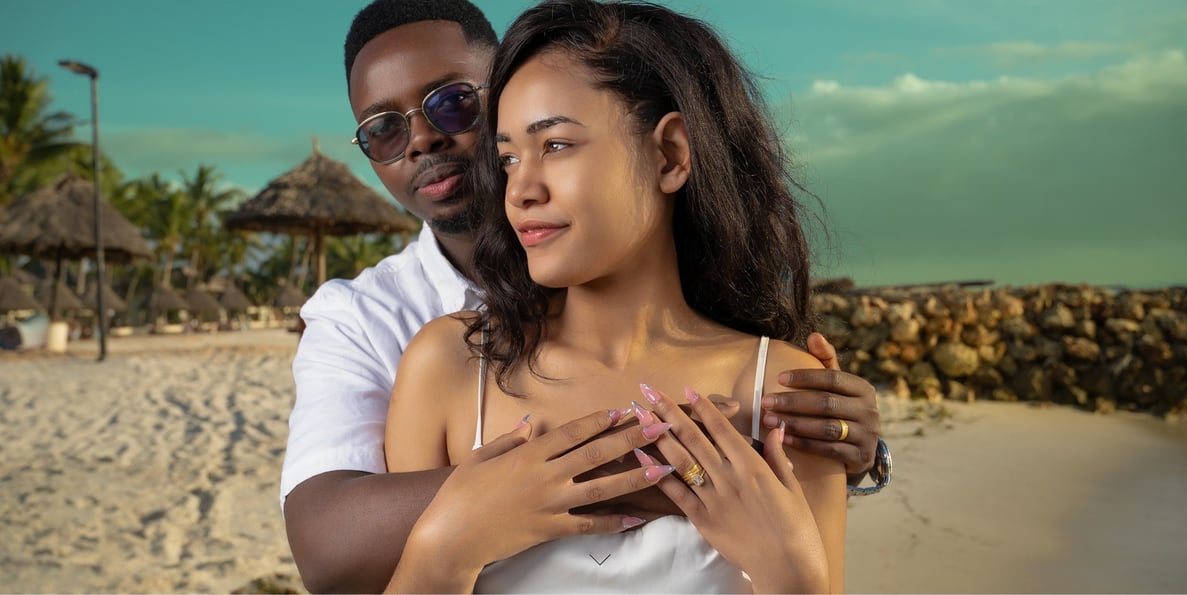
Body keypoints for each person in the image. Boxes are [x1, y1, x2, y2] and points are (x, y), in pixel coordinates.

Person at [282, 0, 884, 592]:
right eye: (510, 158)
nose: (520, 189)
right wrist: (455, 534)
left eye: (454, 103)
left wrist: (814, 546)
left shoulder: (779, 384)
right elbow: (327, 552)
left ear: (670, 153)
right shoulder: (424, 350)